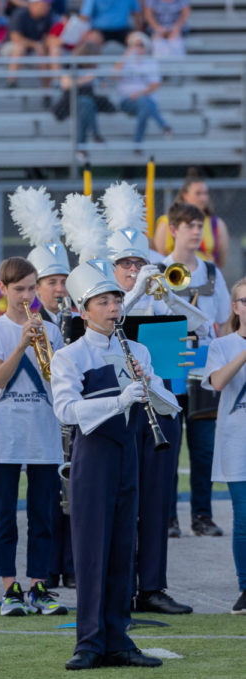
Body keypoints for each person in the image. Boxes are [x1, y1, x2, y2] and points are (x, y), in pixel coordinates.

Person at [52, 192, 176, 670]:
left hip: (130, 454)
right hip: (93, 458)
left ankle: (119, 639)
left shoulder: (136, 350)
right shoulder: (71, 356)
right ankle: (88, 642)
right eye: (104, 301)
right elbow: (66, 410)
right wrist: (119, 399)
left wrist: (158, 395)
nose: (113, 307)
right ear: (84, 310)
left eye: (117, 299)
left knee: (125, 546)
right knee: (92, 549)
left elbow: (161, 398)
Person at [103, 182, 203, 615]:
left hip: (163, 406)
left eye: (139, 262)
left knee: (159, 497)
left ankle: (154, 586)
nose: (133, 269)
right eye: (125, 264)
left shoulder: (161, 300)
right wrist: (137, 292)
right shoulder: (102, 301)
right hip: (122, 411)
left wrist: (168, 293)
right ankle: (121, 586)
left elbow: (202, 325)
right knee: (125, 499)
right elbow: (110, 326)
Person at [0, 256, 67, 617]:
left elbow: (57, 381)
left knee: (43, 514)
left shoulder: (52, 330)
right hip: (7, 434)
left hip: (43, 432)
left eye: (31, 289)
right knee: (4, 515)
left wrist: (44, 341)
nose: (26, 297)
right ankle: (9, 588)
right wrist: (22, 345)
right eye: (19, 290)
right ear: (3, 289)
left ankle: (39, 586)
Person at [9, 185, 75, 589]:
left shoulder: (72, 315)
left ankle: (70, 564)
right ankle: (45, 570)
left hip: (69, 413)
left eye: (63, 280)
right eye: (50, 281)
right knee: (47, 498)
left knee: (73, 493)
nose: (58, 288)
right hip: (35, 414)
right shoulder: (29, 318)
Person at [164, 200, 231, 538]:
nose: (195, 231)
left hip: (203, 365)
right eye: (189, 225)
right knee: (169, 445)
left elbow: (222, 321)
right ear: (174, 229)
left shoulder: (212, 272)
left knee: (203, 448)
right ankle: (168, 517)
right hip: (170, 364)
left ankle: (202, 516)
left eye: (199, 225)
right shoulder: (157, 269)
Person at [202, 277, 246, 614]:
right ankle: (245, 586)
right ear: (235, 307)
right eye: (244, 301)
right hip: (237, 444)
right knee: (244, 518)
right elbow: (217, 382)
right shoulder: (222, 346)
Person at [152, 168, 230, 267]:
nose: (203, 198)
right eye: (198, 193)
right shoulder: (166, 222)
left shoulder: (217, 223)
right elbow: (159, 258)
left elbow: (221, 261)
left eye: (205, 193)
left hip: (206, 278)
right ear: (185, 195)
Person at [115, 32, 172, 144]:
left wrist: (139, 94)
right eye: (135, 45)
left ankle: (137, 143)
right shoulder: (125, 62)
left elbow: (155, 85)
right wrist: (125, 56)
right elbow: (114, 75)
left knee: (144, 105)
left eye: (141, 45)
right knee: (145, 103)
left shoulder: (151, 63)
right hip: (127, 101)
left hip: (144, 100)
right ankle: (164, 125)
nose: (138, 48)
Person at [5, 0, 62, 89]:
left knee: (44, 58)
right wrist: (35, 45)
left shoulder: (47, 16)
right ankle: (11, 81)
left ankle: (47, 91)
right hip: (10, 48)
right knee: (20, 47)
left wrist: (55, 41)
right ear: (35, 4)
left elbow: (46, 37)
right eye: (46, 4)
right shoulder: (20, 14)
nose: (49, 7)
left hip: (33, 50)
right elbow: (16, 38)